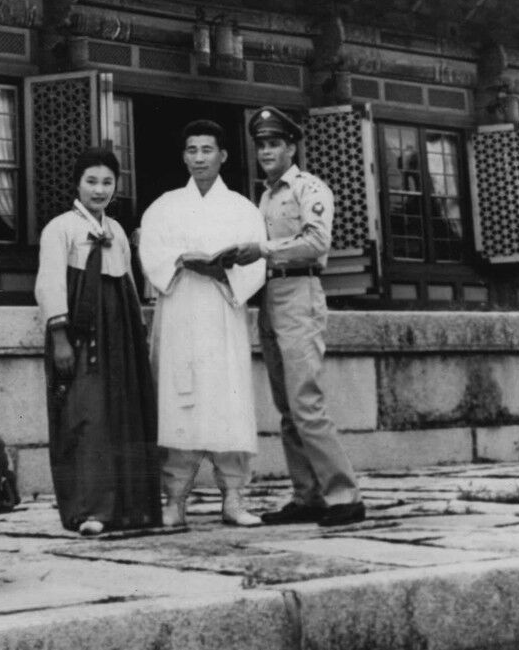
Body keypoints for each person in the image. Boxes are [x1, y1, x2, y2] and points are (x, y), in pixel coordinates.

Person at [231, 107, 366, 527]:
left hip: (300, 290)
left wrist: (264, 250)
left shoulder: (309, 188)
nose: (267, 151)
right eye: (262, 145)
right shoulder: (266, 195)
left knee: (305, 398)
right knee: (286, 404)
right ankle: (307, 495)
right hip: (269, 294)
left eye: (275, 143)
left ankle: (344, 495)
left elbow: (316, 241)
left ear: (291, 147)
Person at [138, 120, 268, 528]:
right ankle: (175, 500)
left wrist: (223, 273)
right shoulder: (164, 206)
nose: (199, 158)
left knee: (228, 402)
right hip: (179, 311)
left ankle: (233, 497)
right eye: (191, 150)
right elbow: (153, 254)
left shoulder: (243, 209)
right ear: (184, 156)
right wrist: (179, 261)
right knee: (179, 403)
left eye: (207, 150)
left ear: (223, 156)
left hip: (222, 312)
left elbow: (257, 260)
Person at [35, 147, 161, 536]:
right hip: (80, 330)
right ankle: (90, 509)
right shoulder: (61, 228)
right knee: (85, 415)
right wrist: (60, 338)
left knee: (122, 413)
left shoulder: (117, 231)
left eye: (108, 182)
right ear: (77, 183)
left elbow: (127, 284)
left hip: (118, 329)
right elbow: (51, 283)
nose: (99, 189)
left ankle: (128, 507)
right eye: (92, 180)